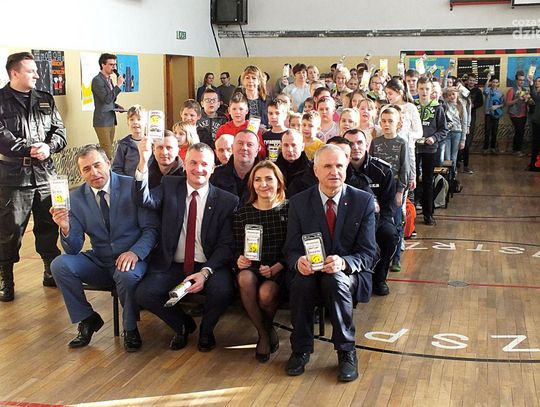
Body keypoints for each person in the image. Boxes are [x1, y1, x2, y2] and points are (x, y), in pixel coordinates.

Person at [50, 145, 159, 351]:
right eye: (86, 169)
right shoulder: (75, 199)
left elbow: (151, 230)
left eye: (97, 165)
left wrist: (135, 253)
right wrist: (65, 227)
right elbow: (73, 249)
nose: (94, 172)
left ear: (108, 163)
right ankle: (87, 318)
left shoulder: (132, 186)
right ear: (81, 173)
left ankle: (130, 328)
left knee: (126, 273)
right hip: (100, 260)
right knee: (59, 264)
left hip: (132, 258)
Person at [283, 144, 377, 382]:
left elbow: (369, 253)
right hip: (311, 271)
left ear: (346, 168)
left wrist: (343, 262)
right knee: (301, 283)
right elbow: (290, 250)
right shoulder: (298, 202)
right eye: (327, 166)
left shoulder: (363, 201)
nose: (334, 171)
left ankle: (346, 352)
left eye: (339, 166)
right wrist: (298, 261)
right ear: (316, 171)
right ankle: (300, 349)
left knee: (335, 281)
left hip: (348, 272)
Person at [133, 142, 238, 352]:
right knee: (145, 293)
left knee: (223, 290)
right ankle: (182, 325)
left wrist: (206, 272)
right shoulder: (169, 185)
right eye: (193, 163)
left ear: (213, 168)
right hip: (173, 264)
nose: (199, 169)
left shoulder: (227, 200)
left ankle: (206, 331)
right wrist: (143, 161)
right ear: (185, 164)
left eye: (204, 164)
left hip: (208, 264)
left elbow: (226, 245)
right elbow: (144, 200)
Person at [0, 52, 67, 301]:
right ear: (14, 73)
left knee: (48, 225)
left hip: (45, 174)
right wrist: (29, 149)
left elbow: (60, 131)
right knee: (10, 231)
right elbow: (1, 136)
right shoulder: (1, 100)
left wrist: (49, 147)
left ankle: (50, 270)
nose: (37, 75)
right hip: (14, 178)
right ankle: (5, 278)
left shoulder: (45, 99)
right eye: (31, 71)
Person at [233, 161, 289, 363]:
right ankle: (264, 334)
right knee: (244, 278)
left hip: (280, 268)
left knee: (266, 293)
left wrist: (277, 267)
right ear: (252, 184)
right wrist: (239, 259)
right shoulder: (242, 214)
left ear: (278, 182)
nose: (263, 184)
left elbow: (294, 247)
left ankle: (266, 328)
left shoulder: (290, 210)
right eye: (257, 180)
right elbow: (236, 247)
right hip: (252, 267)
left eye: (268, 179)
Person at [344, 129, 397, 295]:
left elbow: (388, 208)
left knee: (389, 234)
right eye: (350, 143)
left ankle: (380, 278)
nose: (355, 147)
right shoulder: (339, 169)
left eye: (359, 142)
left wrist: (370, 228)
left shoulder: (382, 170)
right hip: (346, 222)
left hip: (376, 221)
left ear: (367, 144)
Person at [416, 77, 448, 225]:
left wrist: (434, 138)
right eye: (421, 89)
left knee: (428, 180)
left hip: (430, 149)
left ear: (431, 90)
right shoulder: (412, 106)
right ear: (417, 89)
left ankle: (428, 213)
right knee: (413, 180)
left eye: (427, 89)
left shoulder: (437, 108)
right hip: (414, 149)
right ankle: (412, 210)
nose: (424, 92)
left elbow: (444, 129)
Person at [211, 129, 260, 205]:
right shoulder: (215, 176)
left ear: (257, 150)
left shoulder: (266, 176)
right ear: (232, 148)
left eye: (250, 144)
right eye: (240, 143)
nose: (244, 148)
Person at [92, 53, 124, 159]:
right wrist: (118, 85)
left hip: (111, 119)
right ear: (103, 65)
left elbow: (110, 100)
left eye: (114, 65)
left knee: (109, 148)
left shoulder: (109, 79)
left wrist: (117, 106)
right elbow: (106, 99)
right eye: (111, 64)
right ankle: (108, 169)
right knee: (107, 151)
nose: (113, 67)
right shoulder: (97, 80)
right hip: (102, 121)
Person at [215, 92, 266, 158]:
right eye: (234, 109)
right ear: (229, 110)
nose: (237, 112)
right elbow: (218, 152)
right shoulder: (222, 130)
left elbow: (263, 153)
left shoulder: (253, 128)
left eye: (241, 109)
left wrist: (255, 145)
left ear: (246, 110)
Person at [112, 105, 147, 176]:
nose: (135, 122)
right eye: (131, 119)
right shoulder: (123, 144)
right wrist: (126, 181)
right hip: (129, 181)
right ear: (128, 123)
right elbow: (116, 168)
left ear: (146, 123)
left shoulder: (151, 143)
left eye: (139, 119)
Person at [459, 73, 483, 174]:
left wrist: (473, 105)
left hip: (471, 116)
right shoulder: (462, 89)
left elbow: (481, 103)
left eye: (473, 80)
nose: (471, 82)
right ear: (467, 80)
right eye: (470, 80)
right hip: (459, 116)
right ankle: (457, 161)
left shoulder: (478, 91)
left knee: (467, 140)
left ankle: (466, 165)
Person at [506, 70, 529, 155]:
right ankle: (517, 150)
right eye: (520, 80)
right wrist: (518, 99)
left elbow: (526, 102)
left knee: (520, 132)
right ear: (516, 80)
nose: (521, 82)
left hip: (523, 114)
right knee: (519, 131)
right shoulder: (512, 90)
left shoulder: (525, 90)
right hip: (514, 114)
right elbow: (507, 103)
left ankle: (517, 149)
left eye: (523, 80)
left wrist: (527, 99)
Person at [483, 74, 504, 155]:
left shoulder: (500, 92)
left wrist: (497, 106)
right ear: (491, 83)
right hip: (488, 114)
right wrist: (488, 79)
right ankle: (485, 148)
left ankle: (493, 148)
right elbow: (484, 90)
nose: (494, 84)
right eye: (493, 82)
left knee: (494, 132)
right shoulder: (488, 91)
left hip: (496, 114)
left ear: (498, 83)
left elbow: (503, 104)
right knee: (487, 131)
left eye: (496, 82)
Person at [527, 74, 540, 172]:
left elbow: (534, 95)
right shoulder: (537, 94)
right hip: (537, 122)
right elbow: (534, 95)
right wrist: (531, 83)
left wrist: (531, 83)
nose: (537, 83)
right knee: (535, 144)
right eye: (537, 81)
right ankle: (534, 164)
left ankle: (535, 164)